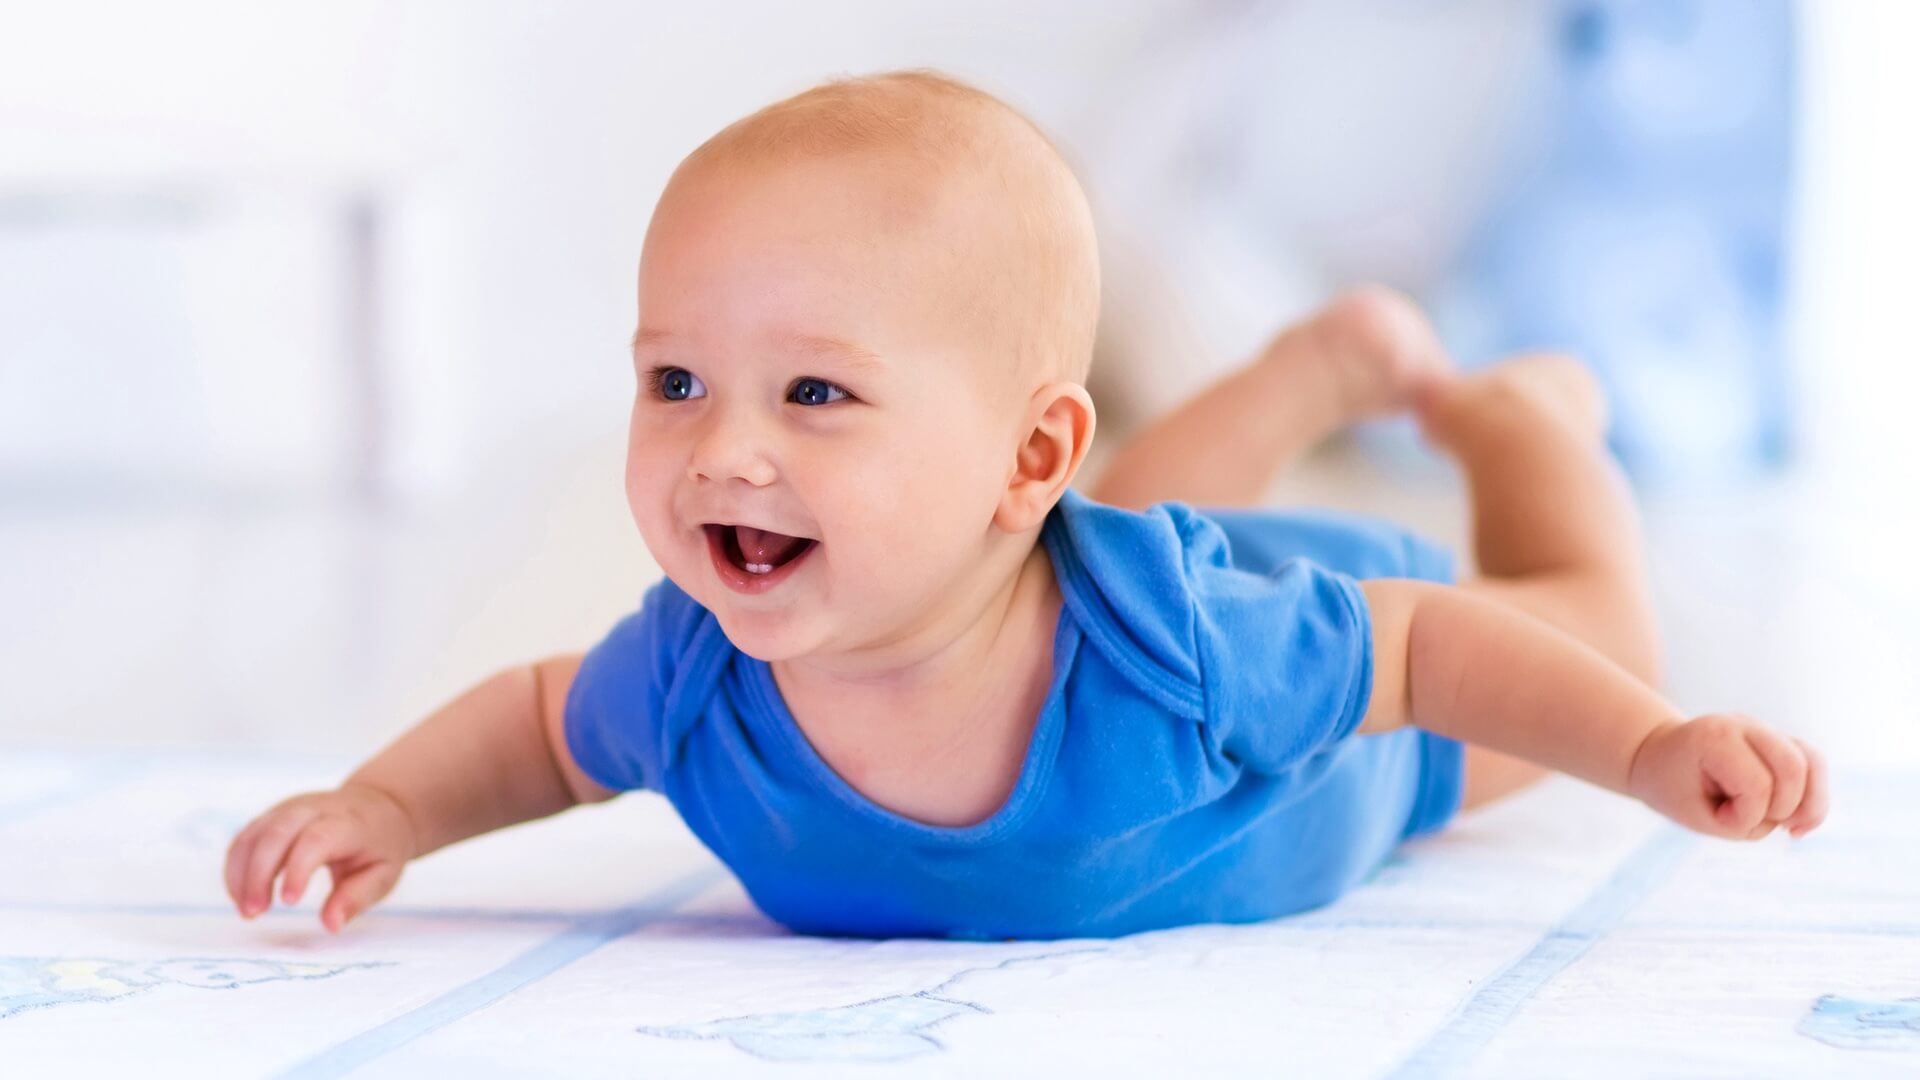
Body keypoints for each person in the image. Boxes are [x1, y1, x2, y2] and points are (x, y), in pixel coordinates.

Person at [223, 71, 1826, 940]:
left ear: (1020, 455)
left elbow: (1426, 651)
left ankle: (1525, 414)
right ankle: (1305, 370)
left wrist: (1643, 747)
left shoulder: (1197, 644)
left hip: (1332, 727)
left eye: (816, 394)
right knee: (1099, 542)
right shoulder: (699, 671)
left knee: (1582, 610)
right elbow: (537, 726)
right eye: (678, 383)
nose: (724, 452)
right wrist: (386, 810)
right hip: (1084, 572)